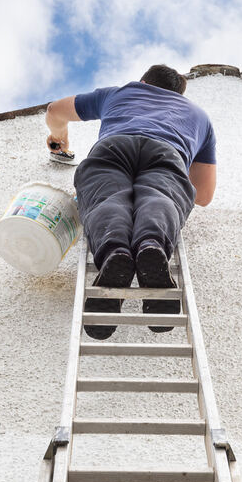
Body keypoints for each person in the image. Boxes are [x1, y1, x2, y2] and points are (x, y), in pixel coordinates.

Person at [45, 64, 216, 340]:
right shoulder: (198, 117)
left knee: (107, 199)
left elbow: (54, 110)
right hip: (167, 152)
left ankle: (116, 252)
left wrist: (59, 140)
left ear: (143, 82)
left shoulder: (118, 94)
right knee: (160, 197)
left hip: (113, 147)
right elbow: (204, 195)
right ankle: (151, 245)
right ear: (179, 95)